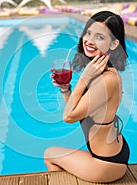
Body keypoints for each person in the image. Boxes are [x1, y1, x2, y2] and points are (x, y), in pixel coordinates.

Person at [44, 11, 130, 183]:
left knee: (49, 154)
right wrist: (66, 89)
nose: (89, 40)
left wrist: (83, 79)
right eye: (88, 33)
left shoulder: (107, 79)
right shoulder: (101, 72)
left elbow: (68, 117)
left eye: (99, 36)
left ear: (113, 44)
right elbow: (77, 112)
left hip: (106, 164)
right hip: (112, 153)